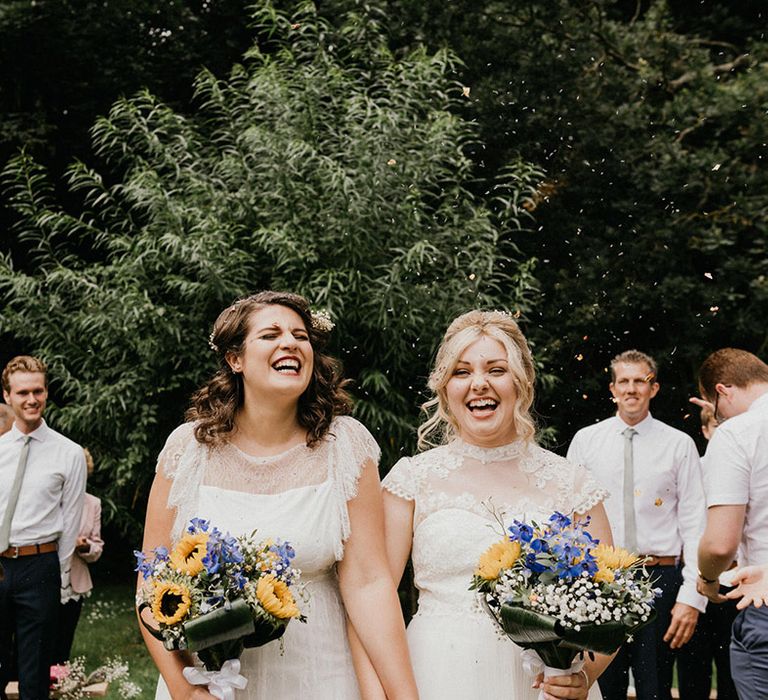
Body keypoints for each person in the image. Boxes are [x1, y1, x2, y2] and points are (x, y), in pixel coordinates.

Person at [139, 291, 418, 700]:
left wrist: (403, 695)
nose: (290, 342)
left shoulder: (346, 446)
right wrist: (186, 690)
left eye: (300, 335)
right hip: (208, 683)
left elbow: (370, 583)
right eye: (270, 334)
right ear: (235, 359)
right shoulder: (188, 449)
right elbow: (152, 582)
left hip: (319, 674)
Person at [377, 310, 613, 700]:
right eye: (462, 372)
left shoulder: (572, 483)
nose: (479, 384)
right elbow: (374, 599)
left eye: (496, 370)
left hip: (542, 685)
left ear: (521, 382)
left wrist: (583, 678)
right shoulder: (411, 480)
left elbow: (611, 603)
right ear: (444, 387)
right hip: (436, 674)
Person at [567, 349, 707, 700]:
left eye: (640, 381)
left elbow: (694, 524)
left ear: (654, 388)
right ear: (612, 389)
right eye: (623, 381)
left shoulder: (679, 445)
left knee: (655, 687)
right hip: (602, 580)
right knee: (604, 685)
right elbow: (570, 518)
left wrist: (691, 597)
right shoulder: (586, 442)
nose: (631, 389)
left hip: (660, 579)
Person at [0, 356, 87, 700]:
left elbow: (70, 521)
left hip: (40, 567)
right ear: (7, 397)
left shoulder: (68, 453)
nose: (31, 399)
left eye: (37, 391)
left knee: (35, 674)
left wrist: (60, 576)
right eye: (22, 393)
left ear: (47, 393)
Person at [694, 348, 768, 696]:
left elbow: (720, 543)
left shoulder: (738, 433)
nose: (719, 420)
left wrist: (708, 579)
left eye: (717, 411)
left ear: (722, 391)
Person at [674, 405, 738, 699]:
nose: (723, 431)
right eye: (716, 424)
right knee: (692, 674)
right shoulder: (693, 469)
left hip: (736, 584)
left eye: (729, 424)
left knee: (733, 674)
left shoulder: (745, 468)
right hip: (695, 582)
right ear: (705, 431)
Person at [54, 448, 104, 663]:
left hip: (75, 581)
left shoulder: (93, 503)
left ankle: (59, 683)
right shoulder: (50, 498)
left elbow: (97, 547)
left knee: (64, 638)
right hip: (46, 576)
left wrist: (84, 547)